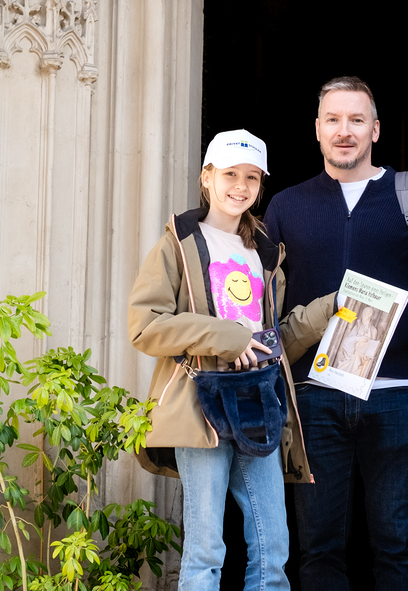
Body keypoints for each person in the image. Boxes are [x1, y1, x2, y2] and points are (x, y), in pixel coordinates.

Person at [263, 76, 408, 591]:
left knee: (397, 550)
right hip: (313, 394)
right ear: (317, 129)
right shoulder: (286, 206)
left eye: (356, 120)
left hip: (397, 394)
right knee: (318, 549)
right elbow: (262, 300)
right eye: (333, 119)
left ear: (374, 129)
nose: (344, 131)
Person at [127, 129, 336, 591]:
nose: (240, 186)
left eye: (252, 177)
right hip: (198, 403)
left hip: (258, 403)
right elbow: (146, 326)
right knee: (205, 550)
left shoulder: (264, 251)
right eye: (229, 174)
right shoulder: (178, 243)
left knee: (273, 548)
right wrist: (226, 337)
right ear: (207, 177)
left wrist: (331, 309)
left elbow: (272, 341)